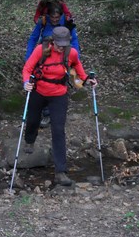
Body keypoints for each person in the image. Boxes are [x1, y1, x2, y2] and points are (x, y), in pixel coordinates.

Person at [22, 26, 97, 186]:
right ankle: (29, 140)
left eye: (64, 44)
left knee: (58, 130)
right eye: (59, 44)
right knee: (33, 120)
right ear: (53, 41)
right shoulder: (40, 50)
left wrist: (86, 80)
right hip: (38, 90)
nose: (61, 47)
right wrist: (26, 83)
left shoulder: (71, 53)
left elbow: (78, 67)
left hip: (59, 94)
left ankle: (60, 171)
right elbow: (27, 68)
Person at [24, 1, 82, 127]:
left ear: (61, 15)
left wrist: (75, 56)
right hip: (44, 52)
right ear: (48, 15)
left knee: (56, 79)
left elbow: (74, 39)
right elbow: (33, 38)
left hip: (62, 54)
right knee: (40, 78)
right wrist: (29, 56)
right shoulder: (43, 21)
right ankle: (38, 109)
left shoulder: (67, 22)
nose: (55, 20)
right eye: (52, 17)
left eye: (57, 17)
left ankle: (48, 113)